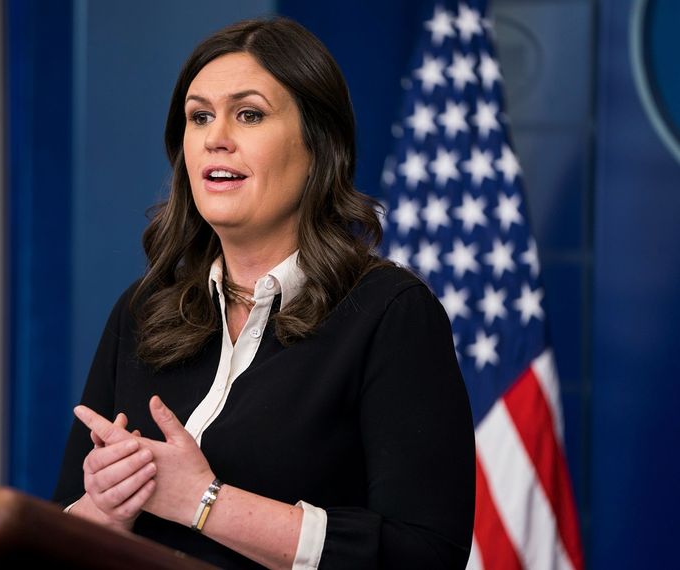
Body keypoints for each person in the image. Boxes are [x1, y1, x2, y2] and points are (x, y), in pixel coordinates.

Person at [54, 17, 475, 569]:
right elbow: (54, 536)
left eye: (249, 114)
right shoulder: (143, 311)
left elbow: (425, 555)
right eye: (199, 116)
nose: (216, 138)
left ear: (319, 145)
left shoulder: (389, 313)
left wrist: (203, 501)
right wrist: (108, 509)